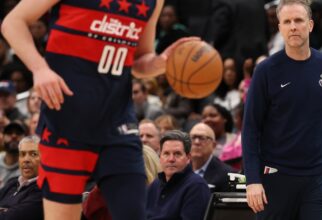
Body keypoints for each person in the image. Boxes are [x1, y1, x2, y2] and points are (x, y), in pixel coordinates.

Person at [1, 1, 197, 219]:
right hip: (65, 123)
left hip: (118, 126)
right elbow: (12, 22)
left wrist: (160, 62)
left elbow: (140, 59)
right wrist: (39, 68)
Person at [242, 0, 322, 219]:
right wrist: (253, 180)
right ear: (279, 28)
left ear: (311, 25)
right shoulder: (266, 70)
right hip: (276, 177)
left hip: (318, 178)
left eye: (298, 20)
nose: (293, 26)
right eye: (287, 21)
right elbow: (250, 128)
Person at [147, 130, 210, 220]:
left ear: (188, 158)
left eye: (177, 154)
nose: (171, 159)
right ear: (160, 157)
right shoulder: (155, 184)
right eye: (166, 154)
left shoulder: (196, 186)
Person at [0, 135, 43, 220]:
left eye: (33, 154)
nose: (26, 159)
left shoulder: (43, 189)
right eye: (22, 154)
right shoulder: (12, 182)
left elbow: (11, 218)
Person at [190, 122, 235, 192]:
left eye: (202, 138)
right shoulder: (180, 170)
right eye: (193, 137)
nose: (196, 142)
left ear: (213, 145)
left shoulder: (228, 175)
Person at [0, 121, 27, 188]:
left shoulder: (29, 166)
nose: (14, 136)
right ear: (2, 138)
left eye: (18, 133)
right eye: (9, 133)